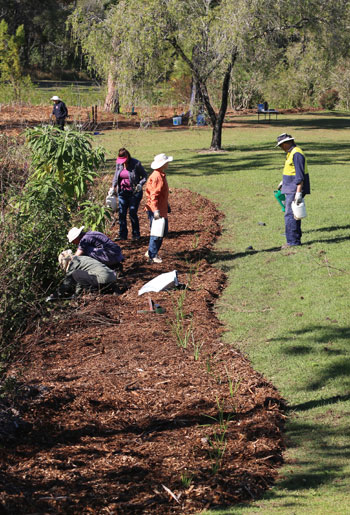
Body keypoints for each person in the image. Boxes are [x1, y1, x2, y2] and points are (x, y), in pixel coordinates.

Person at [276, 133, 310, 248]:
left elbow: (300, 176)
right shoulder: (291, 152)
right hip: (290, 187)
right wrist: (283, 182)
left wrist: (298, 193)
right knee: (293, 214)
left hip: (294, 189)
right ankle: (292, 235)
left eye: (281, 145)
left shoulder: (297, 154)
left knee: (290, 214)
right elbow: (291, 170)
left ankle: (292, 242)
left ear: (286, 143)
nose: (281, 148)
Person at [46, 250, 117, 301]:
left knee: (75, 274)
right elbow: (80, 280)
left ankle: (94, 292)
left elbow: (67, 283)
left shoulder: (73, 265)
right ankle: (110, 288)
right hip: (112, 277)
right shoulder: (81, 258)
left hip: (103, 278)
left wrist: (55, 295)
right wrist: (77, 293)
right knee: (77, 274)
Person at [110, 148, 147, 241]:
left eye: (124, 160)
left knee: (132, 212)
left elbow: (145, 176)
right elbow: (116, 176)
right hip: (122, 192)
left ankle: (136, 234)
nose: (122, 162)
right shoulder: (119, 164)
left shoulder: (136, 164)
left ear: (127, 157)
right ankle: (122, 234)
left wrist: (140, 184)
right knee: (121, 213)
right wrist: (112, 187)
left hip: (134, 193)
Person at [144, 153, 172, 264]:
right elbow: (154, 195)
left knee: (161, 232)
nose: (168, 164)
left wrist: (166, 204)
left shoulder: (160, 175)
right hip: (157, 210)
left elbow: (160, 194)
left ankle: (151, 251)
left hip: (161, 208)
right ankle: (152, 255)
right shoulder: (157, 177)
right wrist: (156, 210)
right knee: (157, 233)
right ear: (163, 164)